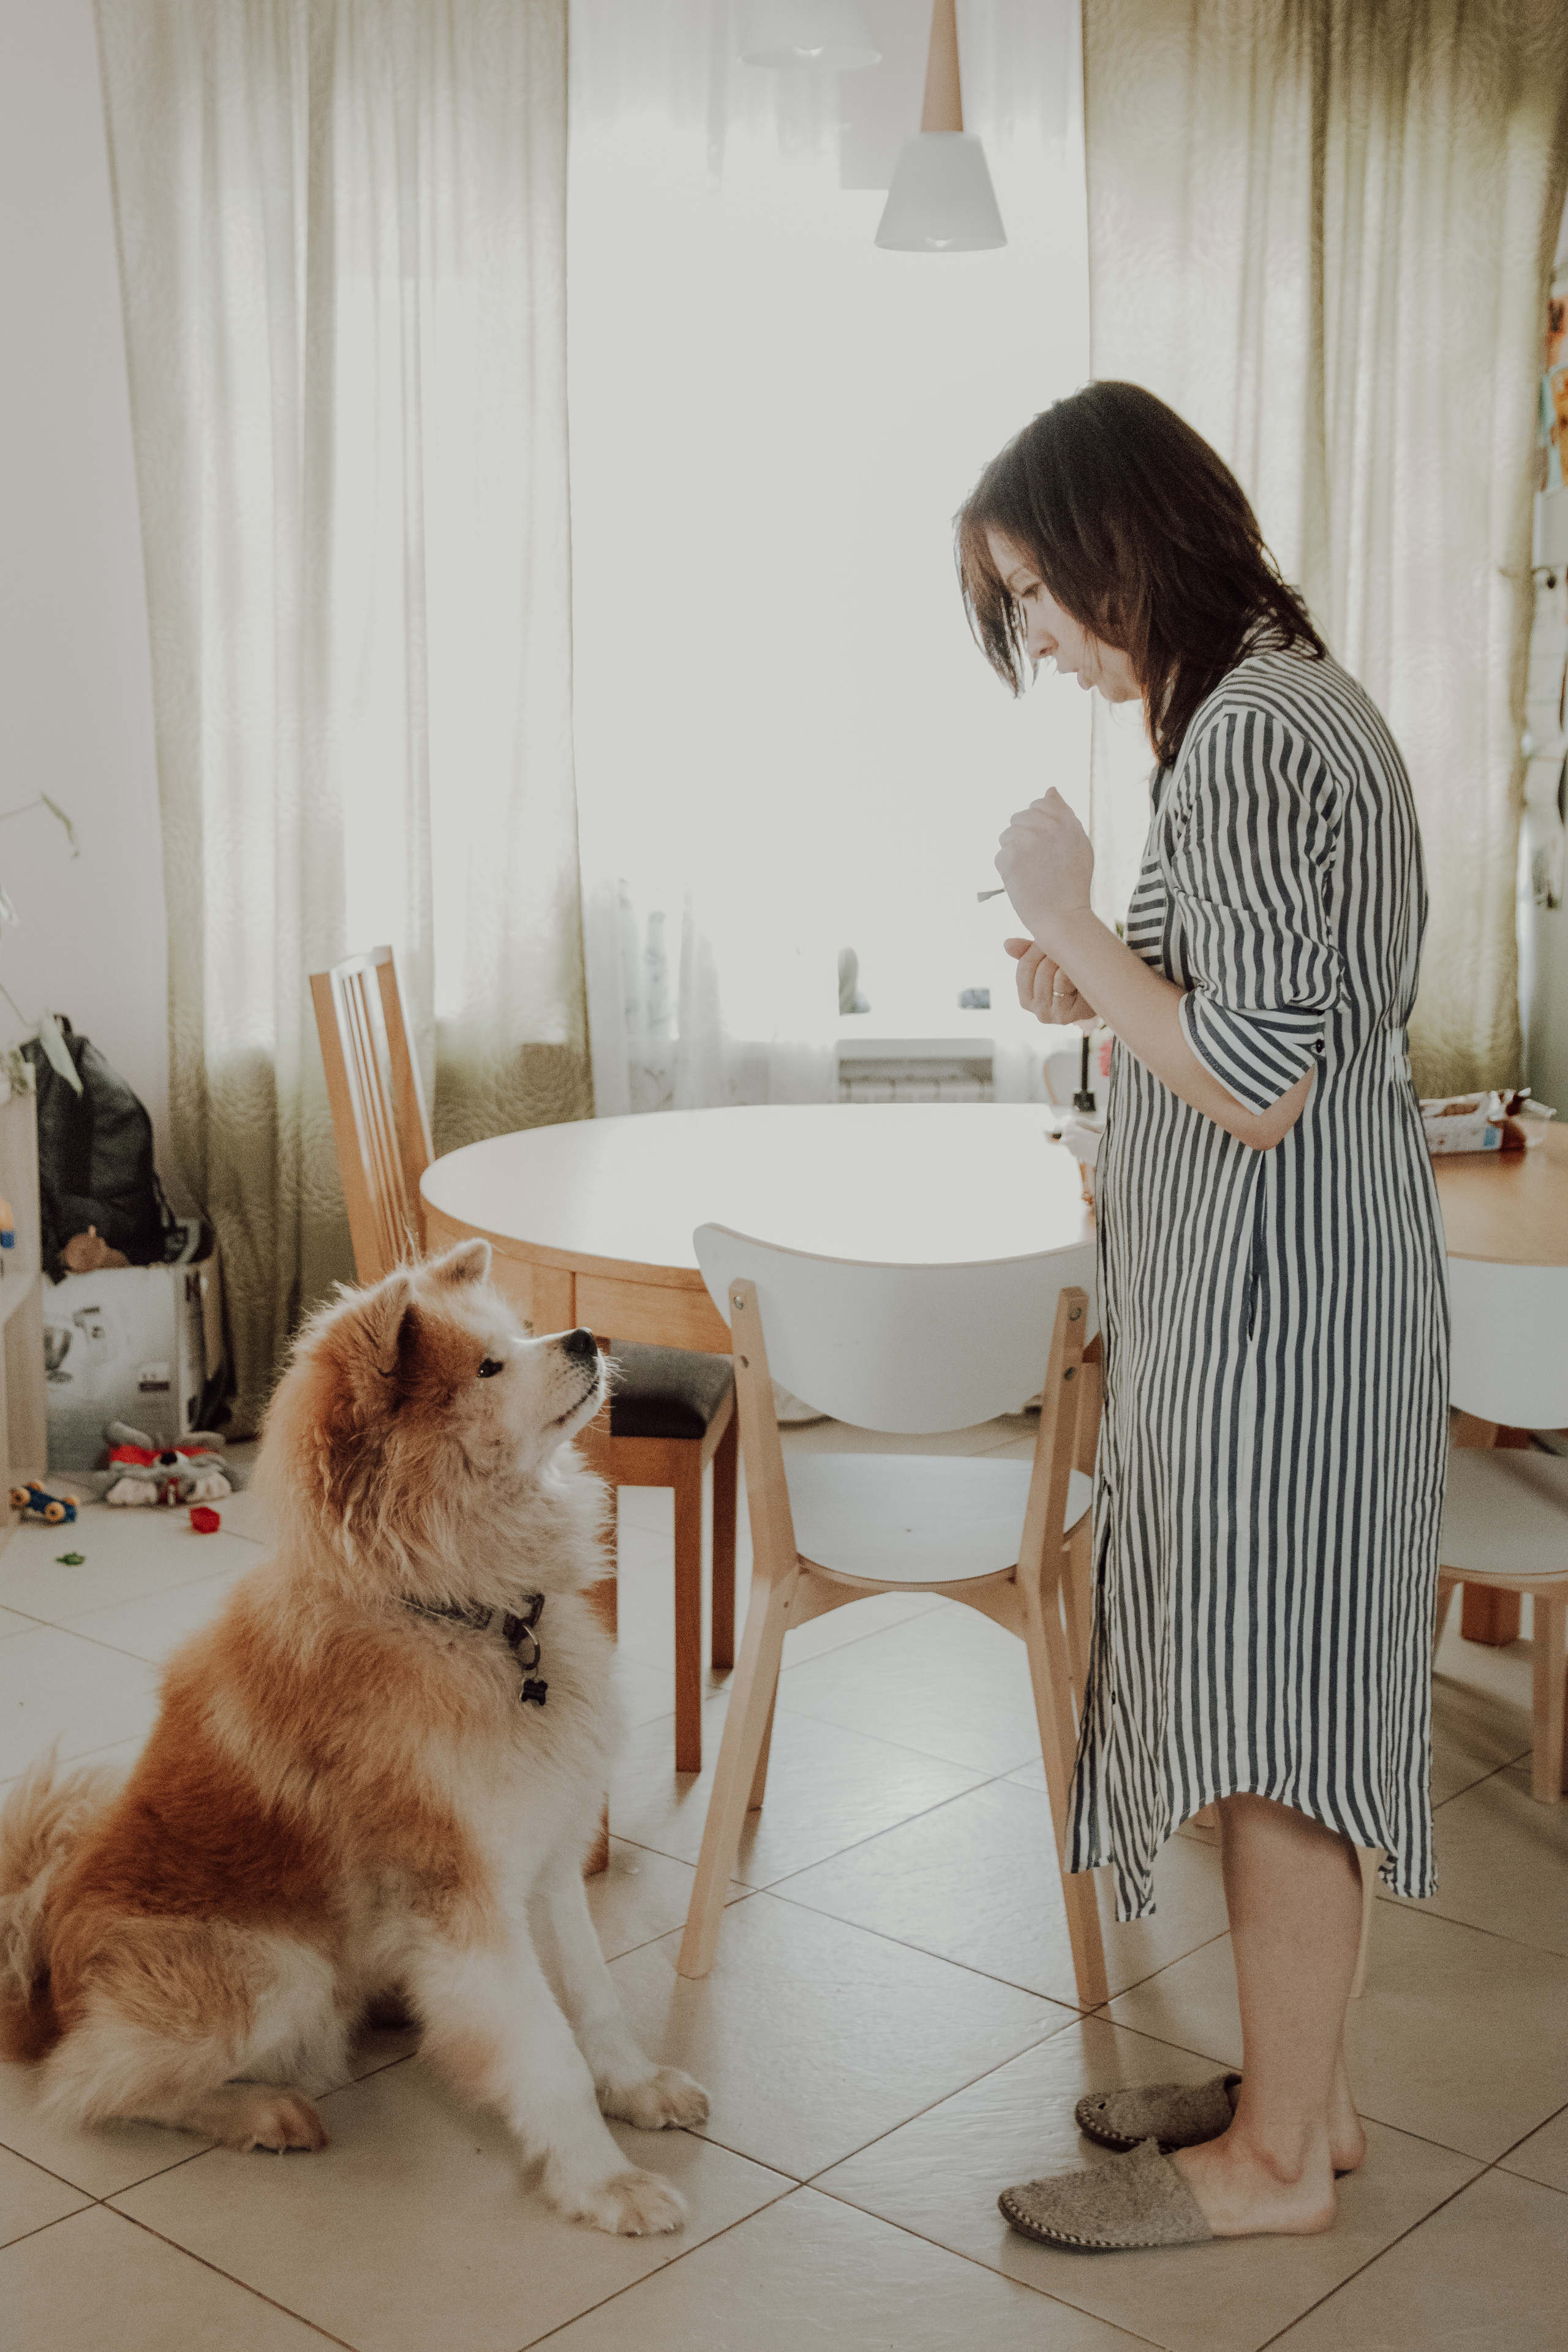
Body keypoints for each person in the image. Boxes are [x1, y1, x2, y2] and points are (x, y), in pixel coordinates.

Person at [957, 382, 1448, 2253]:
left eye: (1045, 602)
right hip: (1308, 1307)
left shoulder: (1244, 742)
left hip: (1279, 1328)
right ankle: (1304, 2108)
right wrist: (1109, 976)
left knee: (1270, 1735)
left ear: (1120, 544)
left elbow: (1254, 1080)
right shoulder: (1295, 707)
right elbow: (1272, 1012)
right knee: (1295, 1709)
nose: (1050, 649)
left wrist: (1079, 926)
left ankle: (1265, 2175)